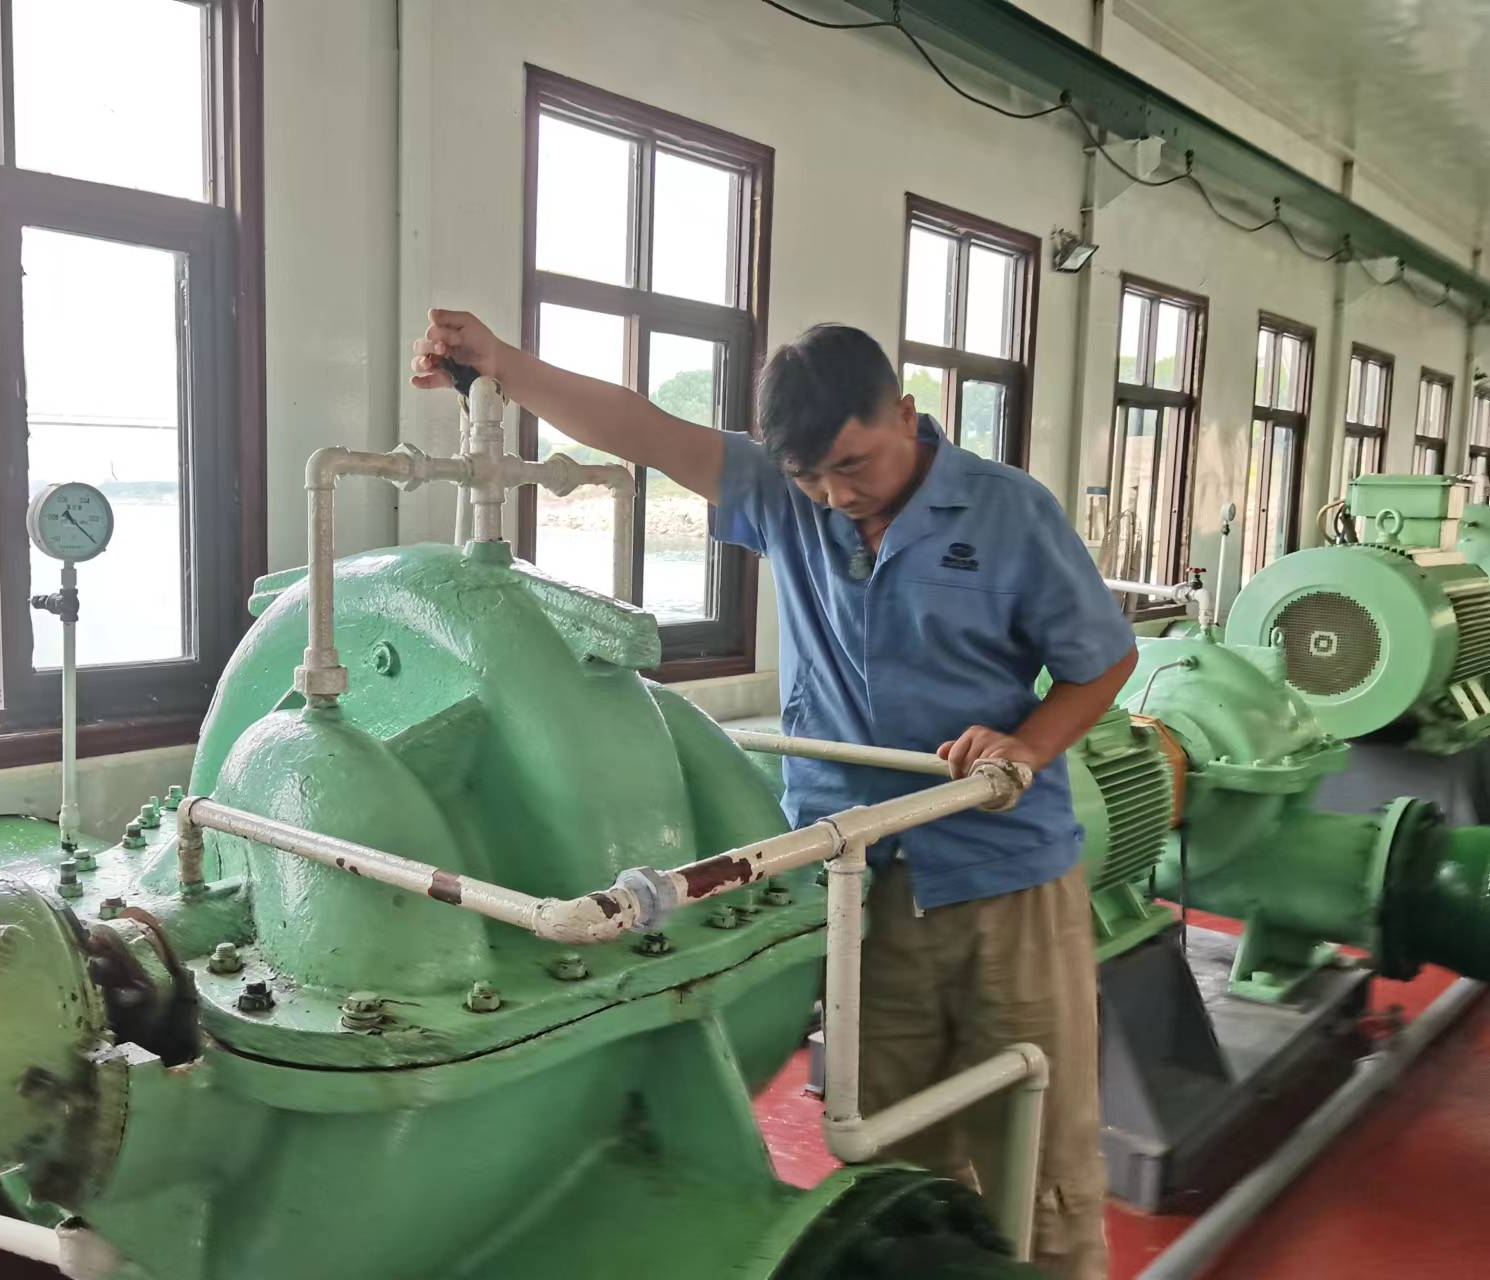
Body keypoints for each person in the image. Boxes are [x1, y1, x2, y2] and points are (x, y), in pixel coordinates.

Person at [410, 310, 1135, 1280]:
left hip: (1002, 877)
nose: (837, 495)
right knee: (890, 1154)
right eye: (811, 477)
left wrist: (1025, 745)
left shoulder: (1008, 513)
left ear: (905, 414)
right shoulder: (786, 498)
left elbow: (1101, 657)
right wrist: (502, 364)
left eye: (853, 465)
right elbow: (642, 429)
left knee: (1040, 1164)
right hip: (856, 881)